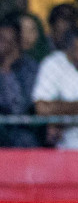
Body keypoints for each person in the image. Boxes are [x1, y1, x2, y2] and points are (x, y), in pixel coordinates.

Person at [0, 14, 41, 146]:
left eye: (5, 40)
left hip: (23, 129)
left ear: (16, 41)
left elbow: (24, 105)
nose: (2, 44)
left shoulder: (30, 68)